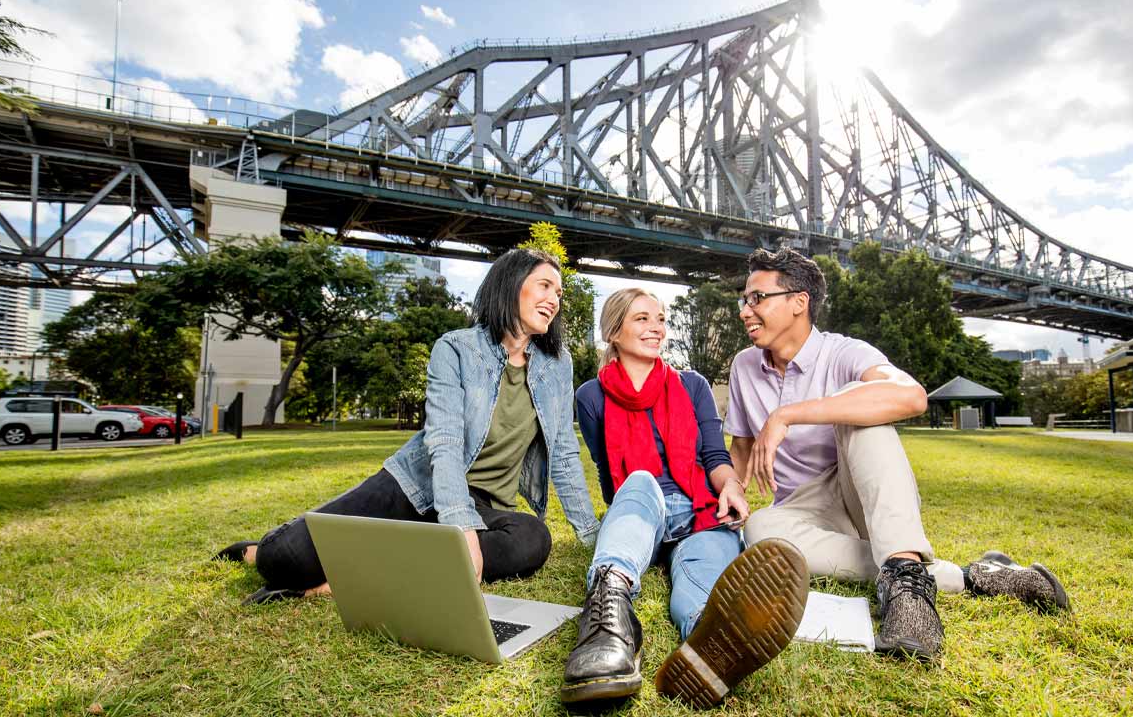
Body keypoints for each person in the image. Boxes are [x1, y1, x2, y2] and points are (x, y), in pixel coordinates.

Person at [725, 248, 1071, 661]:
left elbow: (910, 395)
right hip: (804, 507)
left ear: (799, 302)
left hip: (862, 492)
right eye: (744, 300)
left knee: (861, 408)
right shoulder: (744, 366)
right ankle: (965, 576)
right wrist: (734, 488)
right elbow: (744, 446)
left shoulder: (845, 352)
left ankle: (910, 603)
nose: (745, 311)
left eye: (757, 298)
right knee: (760, 530)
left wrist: (788, 415)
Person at [214, 248, 600, 603]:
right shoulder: (456, 348)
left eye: (560, 293)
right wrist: (460, 527)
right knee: (284, 559)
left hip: (485, 504)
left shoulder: (556, 365)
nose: (554, 300)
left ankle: (361, 577)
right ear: (510, 284)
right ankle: (256, 549)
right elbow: (445, 443)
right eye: (545, 286)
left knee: (532, 539)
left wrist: (590, 536)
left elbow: (564, 453)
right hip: (415, 485)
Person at [560, 288, 808, 709]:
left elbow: (714, 455)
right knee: (638, 481)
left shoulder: (691, 385)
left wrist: (730, 486)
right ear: (613, 331)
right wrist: (632, 514)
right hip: (642, 507)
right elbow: (609, 476)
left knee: (703, 590)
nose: (656, 327)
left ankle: (708, 646)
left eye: (659, 319)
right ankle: (608, 617)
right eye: (642, 319)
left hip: (698, 508)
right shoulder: (590, 396)